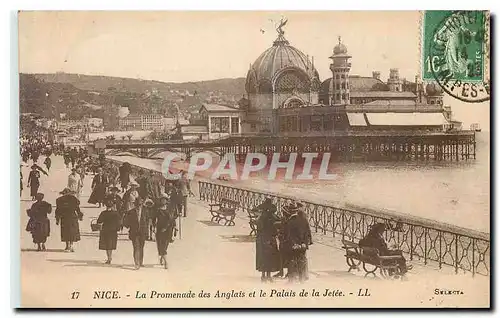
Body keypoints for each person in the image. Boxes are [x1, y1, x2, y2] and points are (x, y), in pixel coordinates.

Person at [284, 202, 312, 283]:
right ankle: (302, 279)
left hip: (293, 246)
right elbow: (307, 233)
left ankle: (291, 280)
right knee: (302, 261)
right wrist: (304, 243)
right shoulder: (304, 219)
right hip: (303, 245)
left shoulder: (290, 221)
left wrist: (294, 244)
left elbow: (289, 235)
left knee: (292, 261)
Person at [123, 196, 154, 270]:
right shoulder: (131, 212)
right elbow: (126, 222)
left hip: (143, 232)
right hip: (134, 232)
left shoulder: (146, 211)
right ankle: (137, 263)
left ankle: (141, 262)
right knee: (136, 247)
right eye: (137, 204)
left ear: (142, 204)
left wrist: (148, 230)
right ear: (134, 204)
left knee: (141, 247)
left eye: (140, 204)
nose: (138, 206)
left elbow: (148, 221)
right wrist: (128, 225)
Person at [255, 198, 281, 282]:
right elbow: (276, 227)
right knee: (270, 257)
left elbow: (259, 228)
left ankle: (263, 276)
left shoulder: (261, 217)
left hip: (261, 239)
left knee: (262, 257)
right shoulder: (273, 217)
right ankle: (268, 276)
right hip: (270, 239)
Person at [151, 193, 178, 269]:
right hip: (160, 229)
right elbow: (153, 218)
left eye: (164, 199)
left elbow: (172, 219)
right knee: (160, 245)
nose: (163, 201)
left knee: (165, 246)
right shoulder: (157, 209)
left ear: (166, 200)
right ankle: (166, 262)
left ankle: (162, 257)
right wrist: (153, 226)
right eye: (162, 199)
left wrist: (175, 226)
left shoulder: (170, 209)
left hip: (168, 229)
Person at [55, 188, 83, 252]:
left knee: (65, 231)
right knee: (72, 231)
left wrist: (57, 219)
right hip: (73, 217)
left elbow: (58, 211)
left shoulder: (59, 200)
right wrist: (80, 216)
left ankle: (67, 246)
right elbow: (77, 209)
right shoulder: (74, 199)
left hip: (64, 218)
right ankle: (71, 245)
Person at [97, 200, 121, 264]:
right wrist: (117, 229)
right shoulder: (116, 213)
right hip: (113, 231)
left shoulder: (103, 213)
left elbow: (99, 221)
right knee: (111, 245)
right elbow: (119, 222)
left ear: (106, 206)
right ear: (112, 206)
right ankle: (110, 257)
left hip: (105, 230)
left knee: (107, 245)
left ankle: (109, 258)